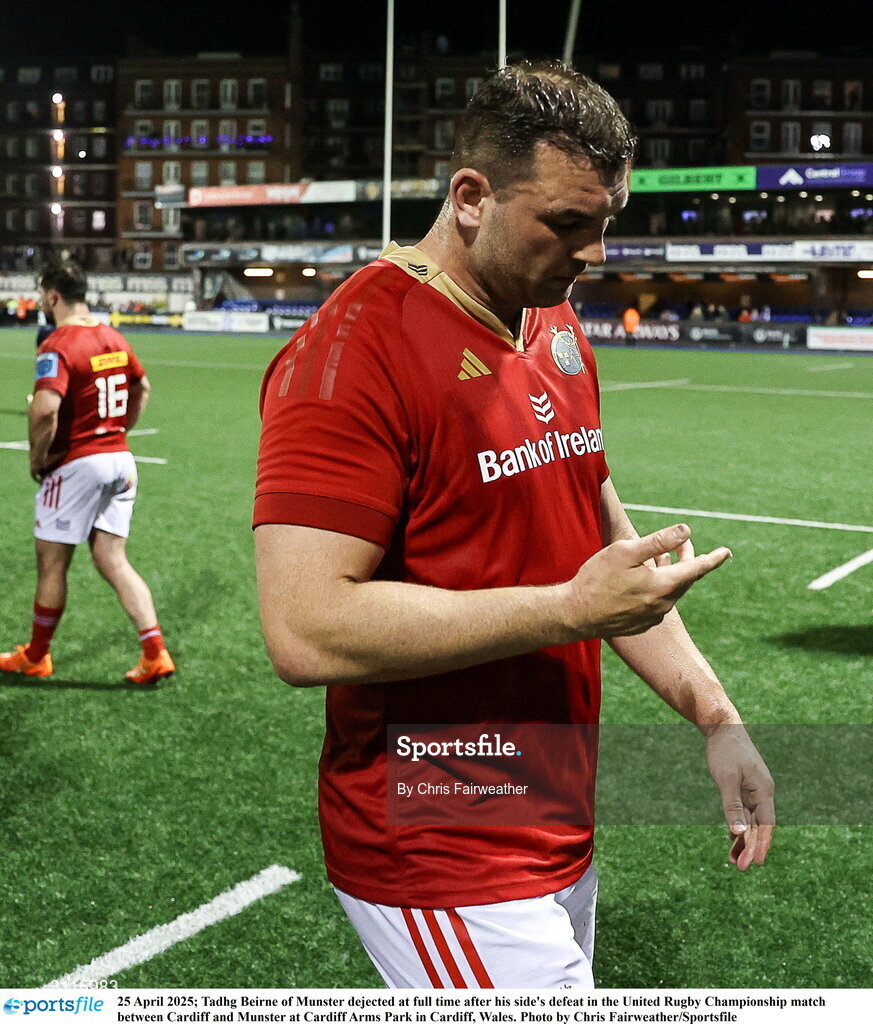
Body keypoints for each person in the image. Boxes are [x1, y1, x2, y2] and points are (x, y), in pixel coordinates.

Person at [254, 62, 774, 989]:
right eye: (566, 225)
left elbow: (599, 542)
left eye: (604, 223)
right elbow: (302, 628)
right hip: (435, 847)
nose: (592, 253)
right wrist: (569, 610)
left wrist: (713, 714)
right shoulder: (350, 352)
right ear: (469, 197)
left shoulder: (550, 313)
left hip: (552, 818)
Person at [0, 258, 174, 685]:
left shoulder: (58, 344)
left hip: (78, 464)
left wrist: (37, 459)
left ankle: (37, 656)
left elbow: (45, 412)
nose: (41, 301)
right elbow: (143, 386)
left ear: (53, 295)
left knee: (52, 565)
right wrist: (120, 429)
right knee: (112, 558)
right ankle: (155, 653)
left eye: (42, 294)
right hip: (120, 459)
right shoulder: (112, 335)